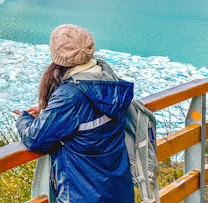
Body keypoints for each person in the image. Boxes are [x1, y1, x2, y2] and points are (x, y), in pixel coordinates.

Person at [14, 24, 135, 203]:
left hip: (84, 193)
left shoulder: (70, 94)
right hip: (117, 189)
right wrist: (50, 112)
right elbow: (90, 114)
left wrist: (22, 118)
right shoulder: (107, 78)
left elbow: (35, 139)